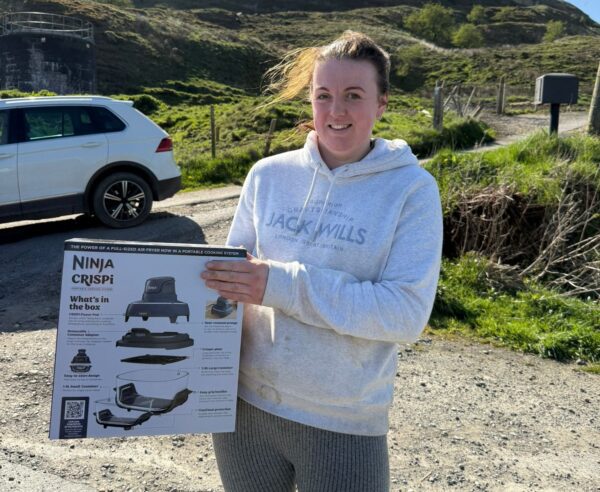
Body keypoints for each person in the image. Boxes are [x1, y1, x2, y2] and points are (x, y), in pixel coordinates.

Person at [201, 31, 443, 492]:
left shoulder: (411, 190)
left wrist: (277, 284)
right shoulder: (267, 176)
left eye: (354, 95)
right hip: (245, 410)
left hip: (343, 421)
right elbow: (227, 288)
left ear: (382, 103)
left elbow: (405, 313)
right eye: (324, 95)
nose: (336, 111)